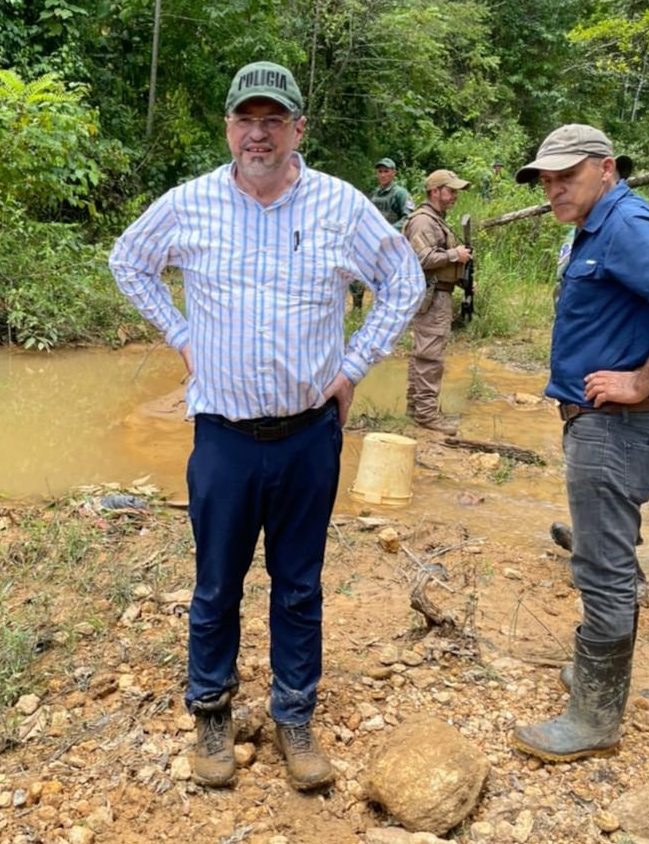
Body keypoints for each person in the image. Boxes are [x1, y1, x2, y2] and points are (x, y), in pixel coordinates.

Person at [109, 60, 424, 790]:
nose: (259, 134)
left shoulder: (341, 207)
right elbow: (129, 260)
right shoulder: (190, 204)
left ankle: (294, 716)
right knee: (216, 583)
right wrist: (183, 336)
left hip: (310, 435)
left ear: (297, 129)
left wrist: (354, 366)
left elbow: (403, 279)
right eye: (247, 120)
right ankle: (211, 714)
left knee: (299, 584)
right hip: (221, 436)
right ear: (228, 128)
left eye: (273, 120)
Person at [512, 123, 649, 763]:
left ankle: (596, 718)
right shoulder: (599, 224)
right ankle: (595, 677)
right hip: (600, 425)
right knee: (602, 555)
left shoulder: (625, 223)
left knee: (604, 570)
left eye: (565, 175)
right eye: (545, 178)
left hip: (617, 426)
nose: (552, 188)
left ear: (606, 168)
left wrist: (641, 380)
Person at [401, 169, 473, 435]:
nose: (454, 196)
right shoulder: (423, 221)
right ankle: (427, 414)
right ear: (435, 191)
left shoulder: (435, 220)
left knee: (424, 353)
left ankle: (416, 408)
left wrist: (459, 278)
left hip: (437, 294)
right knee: (430, 356)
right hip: (431, 298)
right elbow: (423, 259)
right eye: (450, 190)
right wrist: (456, 255)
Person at [349, 157, 414, 309]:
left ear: (393, 173)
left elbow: (409, 217)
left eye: (386, 171)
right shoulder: (374, 194)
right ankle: (357, 307)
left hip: (392, 243)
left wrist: (389, 231)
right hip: (373, 241)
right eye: (380, 171)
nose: (383, 175)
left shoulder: (400, 194)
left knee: (390, 279)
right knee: (357, 272)